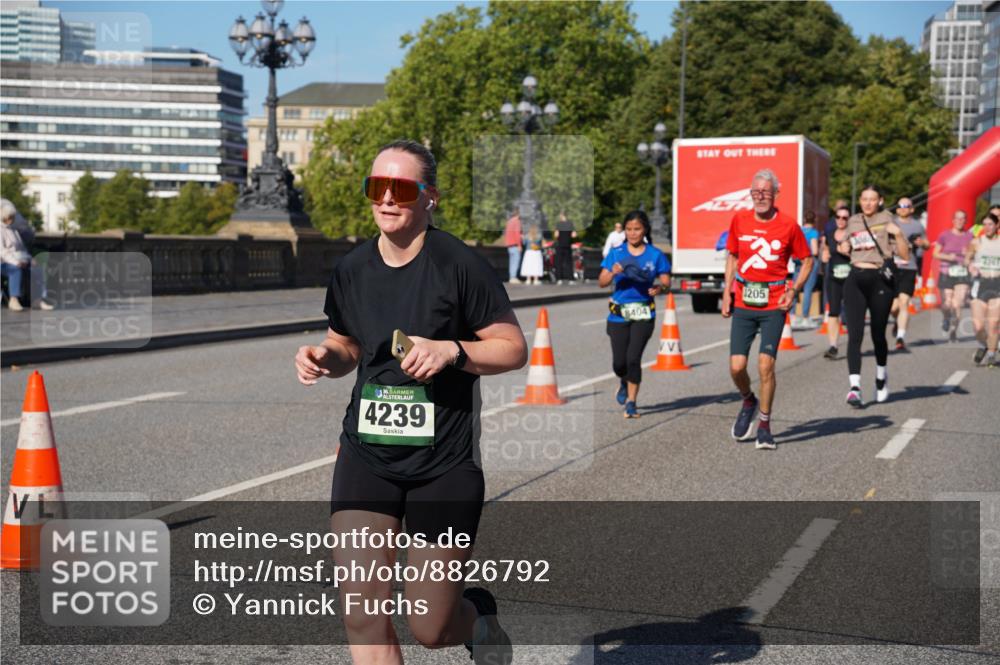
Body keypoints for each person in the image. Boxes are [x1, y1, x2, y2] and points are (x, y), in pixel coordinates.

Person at [294, 139, 526, 665]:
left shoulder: (459, 265)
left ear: (430, 197)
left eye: (402, 188)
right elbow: (348, 345)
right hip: (366, 454)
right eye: (378, 187)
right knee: (361, 612)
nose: (387, 199)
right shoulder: (352, 268)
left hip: (443, 464)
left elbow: (513, 349)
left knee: (431, 626)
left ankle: (477, 619)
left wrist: (452, 350)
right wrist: (321, 357)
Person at [722, 169, 812, 450]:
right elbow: (733, 256)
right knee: (737, 367)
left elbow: (806, 260)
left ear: (775, 194)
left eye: (766, 192)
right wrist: (727, 292)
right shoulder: (739, 220)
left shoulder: (788, 225)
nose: (760, 197)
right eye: (756, 192)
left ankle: (764, 425)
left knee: (765, 365)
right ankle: (748, 399)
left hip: (774, 302)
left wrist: (793, 290)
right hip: (744, 300)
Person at [839, 185, 909, 407]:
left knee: (878, 334)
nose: (868, 203)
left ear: (880, 200)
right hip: (855, 279)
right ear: (860, 200)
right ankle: (855, 387)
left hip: (879, 280)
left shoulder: (888, 219)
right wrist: (844, 245)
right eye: (864, 199)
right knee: (855, 335)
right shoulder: (854, 221)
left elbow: (905, 254)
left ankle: (880, 376)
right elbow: (848, 244)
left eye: (872, 199)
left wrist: (897, 234)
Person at [598, 210, 671, 419]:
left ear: (644, 230)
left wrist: (659, 289)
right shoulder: (616, 252)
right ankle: (623, 381)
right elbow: (602, 282)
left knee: (633, 359)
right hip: (618, 315)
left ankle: (631, 402)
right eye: (629, 229)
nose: (632, 233)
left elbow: (666, 282)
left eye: (637, 229)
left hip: (644, 313)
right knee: (619, 363)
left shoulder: (655, 255)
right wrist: (613, 272)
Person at [890, 197, 928, 351]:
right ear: (897, 209)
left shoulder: (917, 225)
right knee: (893, 308)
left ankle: (900, 337)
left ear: (912, 209)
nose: (903, 208)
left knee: (904, 302)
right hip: (892, 267)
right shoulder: (891, 224)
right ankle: (897, 321)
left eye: (907, 206)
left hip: (909, 267)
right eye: (900, 205)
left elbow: (927, 244)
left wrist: (921, 243)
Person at [933, 210, 975, 342]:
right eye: (957, 218)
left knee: (958, 304)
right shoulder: (944, 235)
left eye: (963, 219)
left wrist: (968, 254)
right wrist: (947, 256)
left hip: (962, 273)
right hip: (946, 272)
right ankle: (946, 318)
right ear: (953, 220)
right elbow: (935, 253)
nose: (960, 221)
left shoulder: (970, 236)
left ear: (965, 221)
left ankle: (953, 332)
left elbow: (974, 253)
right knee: (947, 303)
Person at [967, 213, 1000, 367]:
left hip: (997, 284)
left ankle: (992, 355)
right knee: (978, 326)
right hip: (980, 285)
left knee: (993, 324)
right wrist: (970, 266)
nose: (987, 228)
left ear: (997, 225)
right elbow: (967, 258)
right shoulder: (976, 241)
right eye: (984, 224)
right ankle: (983, 345)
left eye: (991, 224)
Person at [820, 205, 851, 359]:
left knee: (852, 312)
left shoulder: (853, 235)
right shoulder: (830, 233)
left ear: (849, 220)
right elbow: (825, 247)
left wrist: (848, 252)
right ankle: (833, 346)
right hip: (833, 278)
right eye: (838, 217)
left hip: (851, 279)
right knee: (833, 312)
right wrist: (824, 255)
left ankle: (854, 343)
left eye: (844, 218)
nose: (840, 220)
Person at [793, 211, 821, 326]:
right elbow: (814, 250)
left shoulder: (799, 230)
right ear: (815, 220)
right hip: (809, 262)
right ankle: (805, 317)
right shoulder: (813, 232)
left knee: (795, 288)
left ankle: (793, 315)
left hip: (798, 262)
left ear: (804, 219)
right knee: (808, 289)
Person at [554, 210, 577, 283]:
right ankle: (570, 279)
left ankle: (559, 279)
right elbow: (574, 235)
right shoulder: (570, 224)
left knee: (559, 262)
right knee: (569, 262)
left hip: (560, 245)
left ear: (562, 215)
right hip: (568, 244)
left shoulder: (559, 224)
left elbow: (556, 235)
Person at [503, 210, 522, 285]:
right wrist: (519, 245)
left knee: (512, 262)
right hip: (515, 244)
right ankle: (513, 277)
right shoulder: (517, 221)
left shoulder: (509, 221)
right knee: (516, 261)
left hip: (509, 245)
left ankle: (511, 277)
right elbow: (517, 234)